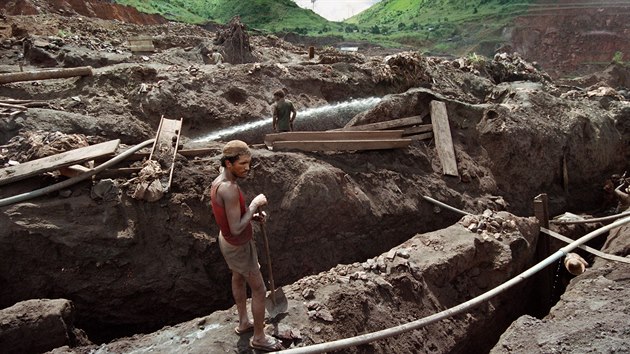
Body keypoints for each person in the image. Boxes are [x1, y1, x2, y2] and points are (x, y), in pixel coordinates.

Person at [210, 140, 284, 352]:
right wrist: (254, 205)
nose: (247, 168)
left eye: (249, 163)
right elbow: (235, 228)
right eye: (242, 163)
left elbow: (230, 218)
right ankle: (259, 338)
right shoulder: (230, 188)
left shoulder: (218, 182)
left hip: (227, 242)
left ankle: (244, 322)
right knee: (259, 290)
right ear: (228, 163)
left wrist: (251, 217)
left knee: (238, 277)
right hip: (239, 245)